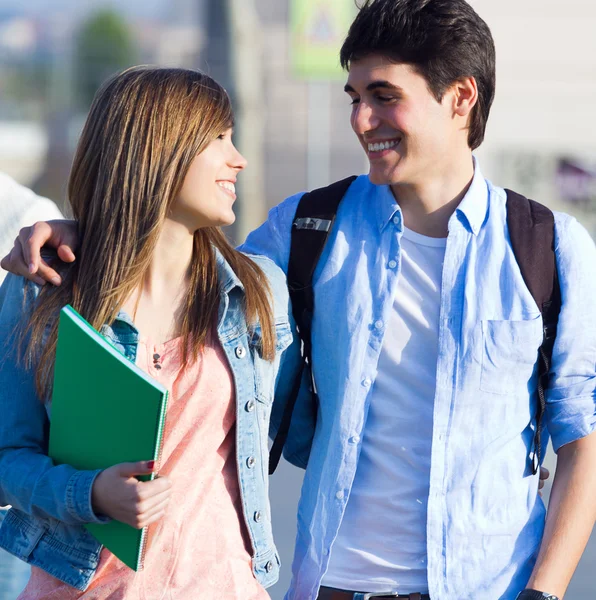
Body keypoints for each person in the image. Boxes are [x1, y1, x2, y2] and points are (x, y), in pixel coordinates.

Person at [4, 1, 596, 599]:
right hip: (333, 587)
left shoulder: (549, 248)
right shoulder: (304, 231)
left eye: (384, 96)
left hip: (490, 587)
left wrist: (543, 593)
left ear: (461, 97)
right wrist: (87, 235)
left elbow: (583, 439)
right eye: (353, 98)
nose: (362, 120)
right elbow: (181, 260)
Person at [0, 66, 299, 599]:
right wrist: (87, 492)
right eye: (218, 139)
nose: (239, 159)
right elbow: (7, 459)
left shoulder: (260, 292)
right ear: (157, 151)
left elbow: (305, 424)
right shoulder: (41, 290)